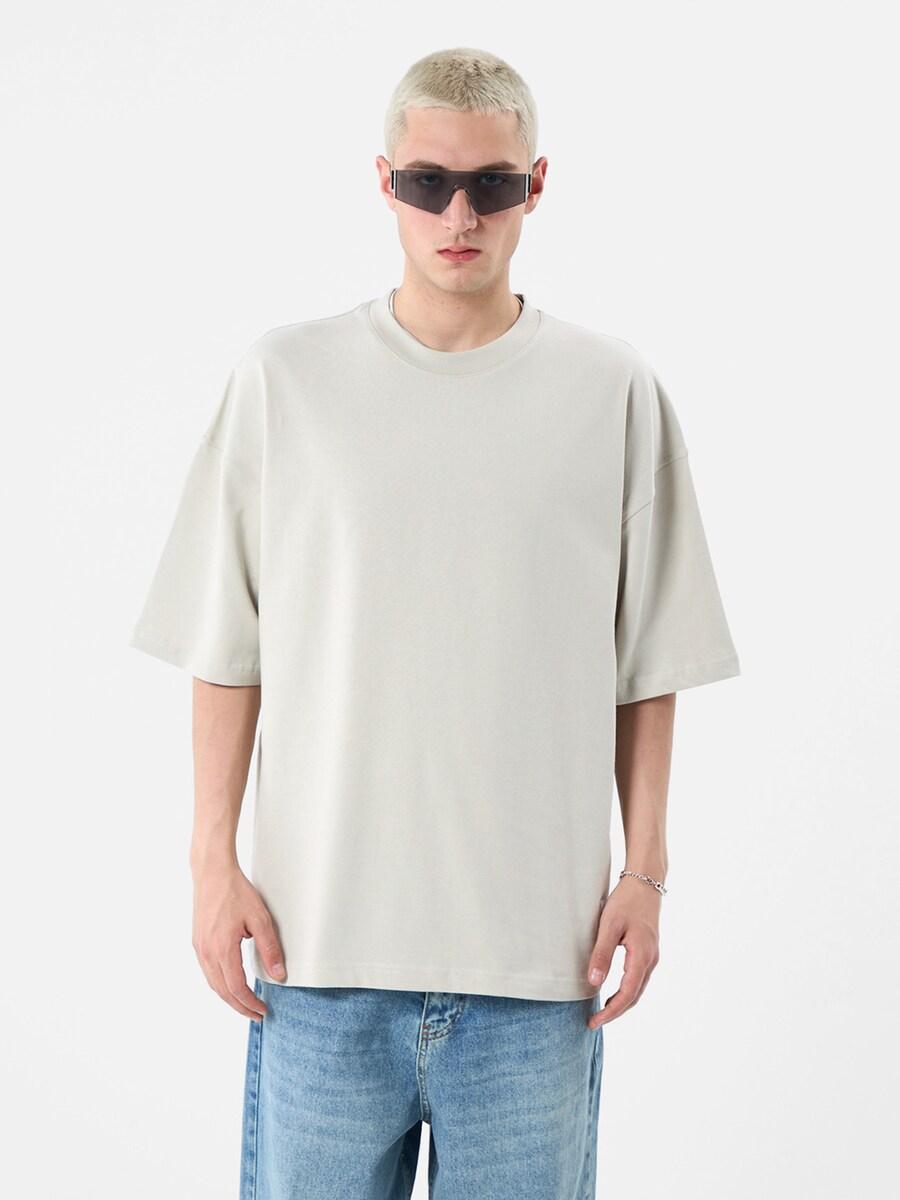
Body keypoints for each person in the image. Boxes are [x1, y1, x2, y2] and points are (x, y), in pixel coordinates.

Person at [128, 45, 740, 1200]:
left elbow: (649, 661)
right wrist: (212, 863)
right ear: (385, 183)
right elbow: (226, 646)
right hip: (318, 958)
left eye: (491, 185)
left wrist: (647, 874)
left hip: (537, 971)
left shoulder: (611, 391)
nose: (460, 215)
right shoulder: (287, 381)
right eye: (429, 183)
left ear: (537, 185)